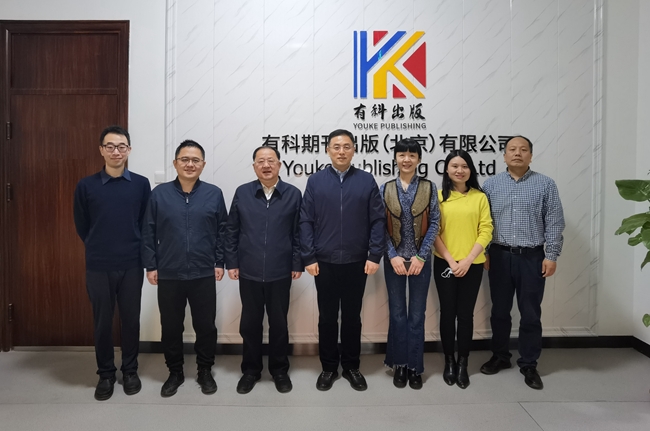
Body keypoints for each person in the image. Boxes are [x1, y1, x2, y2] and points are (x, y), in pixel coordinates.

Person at [300, 129, 386, 391]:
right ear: (328, 150)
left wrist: (374, 254)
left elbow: (378, 220)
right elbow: (305, 220)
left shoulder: (366, 180)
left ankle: (351, 366)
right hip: (323, 262)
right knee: (327, 317)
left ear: (354, 150)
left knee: (351, 317)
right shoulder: (316, 181)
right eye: (336, 147)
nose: (341, 151)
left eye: (346, 146)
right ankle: (328, 367)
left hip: (356, 261)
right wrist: (309, 256)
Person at [141, 139, 228, 397]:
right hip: (169, 272)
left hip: (203, 272)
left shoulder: (214, 193)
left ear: (203, 164)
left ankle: (204, 370)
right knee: (171, 327)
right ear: (175, 163)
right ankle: (175, 372)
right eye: (185, 160)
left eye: (195, 160)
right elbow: (148, 231)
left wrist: (219, 261)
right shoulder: (159, 194)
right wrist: (151, 265)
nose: (190, 164)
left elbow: (223, 231)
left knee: (205, 326)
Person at [73, 125, 152, 401]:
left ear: (129, 150)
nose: (116, 151)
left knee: (130, 320)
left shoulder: (141, 184)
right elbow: (82, 225)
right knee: (102, 322)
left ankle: (130, 371)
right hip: (98, 265)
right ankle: (105, 374)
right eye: (110, 146)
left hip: (132, 263)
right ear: (101, 150)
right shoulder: (86, 186)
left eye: (121, 146)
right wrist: (98, 245)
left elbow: (145, 222)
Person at [480, 136, 565, 390]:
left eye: (523, 149)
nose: (517, 153)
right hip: (499, 255)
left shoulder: (545, 184)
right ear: (504, 155)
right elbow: (484, 222)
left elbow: (554, 221)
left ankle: (529, 363)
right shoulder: (491, 185)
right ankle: (500, 356)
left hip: (532, 257)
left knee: (530, 313)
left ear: (531, 155)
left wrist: (551, 255)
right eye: (512, 149)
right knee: (499, 311)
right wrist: (485, 252)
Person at [225, 146, 303, 395]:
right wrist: (232, 262)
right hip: (248, 271)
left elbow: (299, 232)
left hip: (281, 271)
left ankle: (279, 370)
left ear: (279, 165)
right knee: (250, 324)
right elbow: (232, 229)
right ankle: (251, 370)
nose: (266, 165)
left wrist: (297, 263)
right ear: (254, 166)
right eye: (261, 161)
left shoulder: (293, 194)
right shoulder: (243, 192)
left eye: (271, 161)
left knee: (279, 324)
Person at [380, 138, 440, 390]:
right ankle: (399, 364)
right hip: (394, 261)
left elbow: (435, 223)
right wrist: (392, 255)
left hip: (420, 262)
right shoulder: (385, 188)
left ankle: (415, 366)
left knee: (416, 315)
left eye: (412, 155)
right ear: (395, 158)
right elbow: (379, 225)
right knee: (397, 314)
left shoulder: (429, 187)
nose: (406, 159)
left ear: (419, 159)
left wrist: (421, 256)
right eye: (402, 155)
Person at [432, 150, 492, 389]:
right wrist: (451, 260)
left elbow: (486, 230)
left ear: (470, 170)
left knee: (466, 314)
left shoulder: (480, 197)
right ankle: (449, 361)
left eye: (464, 166)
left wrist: (467, 260)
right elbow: (433, 231)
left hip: (473, 265)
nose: (460, 170)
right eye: (454, 166)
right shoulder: (438, 197)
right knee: (447, 313)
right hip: (444, 263)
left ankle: (463, 362)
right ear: (446, 170)